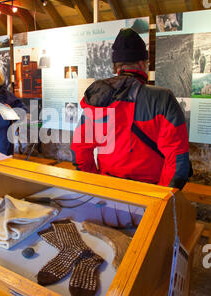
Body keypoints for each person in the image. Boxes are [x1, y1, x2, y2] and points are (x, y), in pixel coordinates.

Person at [71, 28, 190, 190]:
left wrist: (96, 183)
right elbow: (177, 158)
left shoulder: (97, 98)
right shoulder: (163, 99)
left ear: (116, 66)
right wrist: (161, 195)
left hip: (108, 188)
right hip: (150, 191)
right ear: (142, 63)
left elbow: (80, 150)